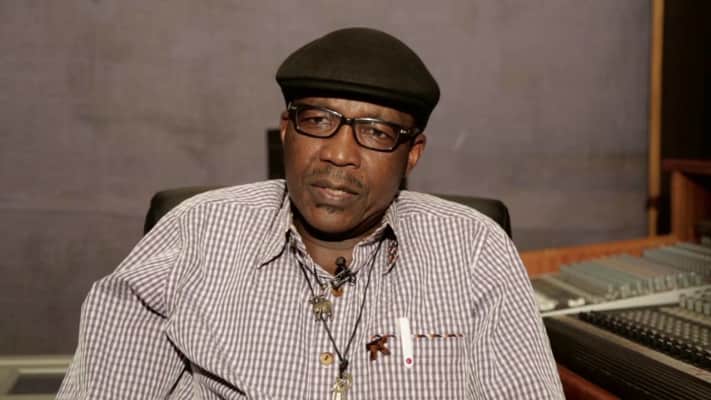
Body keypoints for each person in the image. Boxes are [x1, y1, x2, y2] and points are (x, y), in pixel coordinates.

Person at [58, 27, 564, 399]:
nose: (339, 154)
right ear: (286, 131)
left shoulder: (474, 250)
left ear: (412, 154)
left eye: (375, 132)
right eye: (318, 120)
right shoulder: (193, 234)